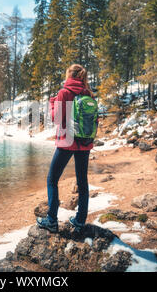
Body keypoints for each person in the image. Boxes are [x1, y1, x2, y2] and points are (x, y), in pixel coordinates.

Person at [37, 64, 96, 233]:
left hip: (67, 142)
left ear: (69, 75)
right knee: (82, 182)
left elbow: (56, 119)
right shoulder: (88, 93)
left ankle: (51, 220)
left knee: (52, 179)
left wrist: (53, 103)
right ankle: (80, 221)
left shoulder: (64, 92)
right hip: (84, 143)